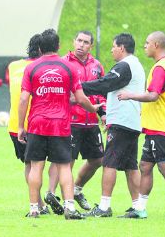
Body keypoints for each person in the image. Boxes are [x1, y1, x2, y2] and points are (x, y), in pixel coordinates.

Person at [18, 29, 101, 219]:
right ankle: (70, 208)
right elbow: (80, 98)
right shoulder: (69, 68)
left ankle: (34, 209)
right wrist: (94, 109)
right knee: (64, 166)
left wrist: (21, 126)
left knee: (36, 166)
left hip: (37, 123)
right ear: (58, 46)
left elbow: (23, 99)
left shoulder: (31, 68)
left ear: (39, 47)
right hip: (61, 124)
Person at [117, 31, 165, 220]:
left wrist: (129, 95)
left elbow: (153, 95)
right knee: (145, 166)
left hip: (161, 128)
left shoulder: (160, 68)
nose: (144, 46)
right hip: (156, 127)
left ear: (156, 45)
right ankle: (140, 208)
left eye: (147, 43)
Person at [82, 33, 145, 217]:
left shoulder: (125, 65)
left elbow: (105, 83)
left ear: (122, 48)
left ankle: (104, 207)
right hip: (132, 121)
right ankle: (138, 207)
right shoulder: (137, 65)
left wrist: (80, 87)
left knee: (109, 162)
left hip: (122, 122)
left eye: (113, 46)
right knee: (130, 165)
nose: (111, 50)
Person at [7, 33, 59, 217]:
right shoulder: (42, 68)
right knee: (51, 162)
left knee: (29, 164)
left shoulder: (13, 66)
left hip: (14, 124)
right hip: (39, 124)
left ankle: (38, 203)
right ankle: (43, 201)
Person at [61, 30, 106, 211]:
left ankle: (77, 190)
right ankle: (68, 202)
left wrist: (103, 112)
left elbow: (102, 92)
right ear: (73, 42)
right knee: (68, 163)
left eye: (85, 42)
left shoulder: (97, 66)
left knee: (98, 160)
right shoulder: (64, 63)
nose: (81, 45)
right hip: (71, 121)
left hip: (91, 122)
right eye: (79, 40)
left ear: (91, 46)